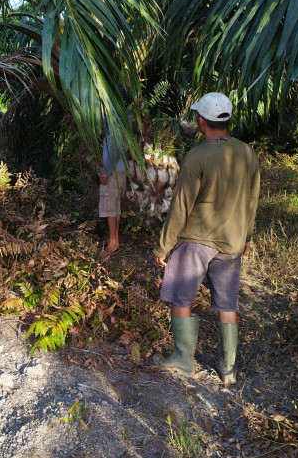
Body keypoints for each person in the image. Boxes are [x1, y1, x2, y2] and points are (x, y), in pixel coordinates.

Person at [151, 92, 259, 384]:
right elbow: (252, 200)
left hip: (197, 239)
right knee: (227, 303)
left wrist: (164, 246)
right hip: (231, 241)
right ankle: (228, 369)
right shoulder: (247, 153)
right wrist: (246, 237)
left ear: (201, 121)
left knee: (179, 295)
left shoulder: (197, 156)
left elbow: (182, 206)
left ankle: (183, 359)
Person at [98, 93, 132, 259]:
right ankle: (115, 239)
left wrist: (105, 169)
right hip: (119, 169)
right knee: (115, 205)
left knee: (110, 205)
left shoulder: (117, 119)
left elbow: (116, 147)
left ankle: (113, 243)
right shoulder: (125, 118)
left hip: (113, 170)